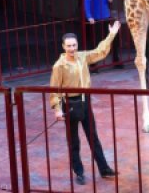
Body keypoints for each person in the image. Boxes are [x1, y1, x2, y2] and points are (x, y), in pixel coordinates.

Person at [49, 22, 121, 185]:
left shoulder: (82, 57)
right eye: (68, 46)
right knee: (74, 141)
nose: (72, 49)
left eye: (74, 45)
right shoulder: (59, 66)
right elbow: (55, 89)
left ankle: (104, 169)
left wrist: (111, 35)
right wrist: (57, 109)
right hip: (71, 103)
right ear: (63, 47)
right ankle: (79, 172)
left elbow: (99, 52)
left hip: (85, 101)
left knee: (92, 136)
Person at [84, 0, 120, 72]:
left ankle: (116, 60)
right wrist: (89, 16)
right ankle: (93, 65)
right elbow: (87, 0)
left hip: (106, 16)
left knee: (113, 38)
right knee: (96, 42)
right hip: (96, 18)